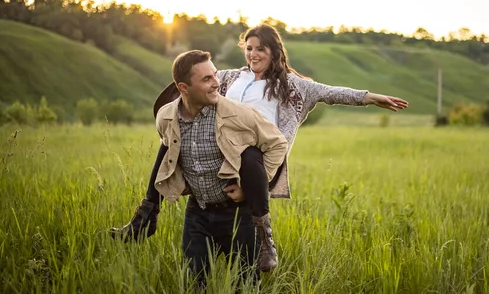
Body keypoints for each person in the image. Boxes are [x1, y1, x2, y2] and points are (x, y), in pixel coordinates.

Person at [111, 24, 409, 272]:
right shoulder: (230, 76)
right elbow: (192, 82)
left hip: (257, 152)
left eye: (260, 49)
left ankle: (265, 234)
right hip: (223, 147)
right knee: (169, 144)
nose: (253, 54)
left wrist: (370, 97)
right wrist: (171, 109)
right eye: (249, 48)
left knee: (250, 154)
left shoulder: (292, 85)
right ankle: (146, 214)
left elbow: (331, 92)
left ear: (274, 52)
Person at [137, 49, 287, 288]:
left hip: (238, 214)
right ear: (184, 88)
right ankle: (144, 215)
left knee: (246, 285)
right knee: (194, 283)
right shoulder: (165, 116)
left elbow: (278, 144)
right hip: (197, 213)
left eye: (215, 75)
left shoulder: (238, 114)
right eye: (207, 79)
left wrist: (250, 189)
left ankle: (264, 233)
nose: (216, 83)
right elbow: (168, 149)